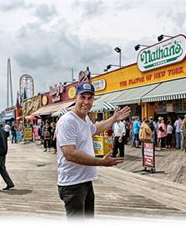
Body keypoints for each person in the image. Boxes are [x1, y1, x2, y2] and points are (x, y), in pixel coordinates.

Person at [56, 82, 130, 225]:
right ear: (76, 98)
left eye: (90, 98)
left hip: (85, 180)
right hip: (72, 183)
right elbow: (69, 153)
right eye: (83, 97)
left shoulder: (84, 118)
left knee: (85, 220)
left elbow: (94, 129)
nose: (86, 102)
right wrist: (101, 162)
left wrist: (114, 119)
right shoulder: (67, 121)